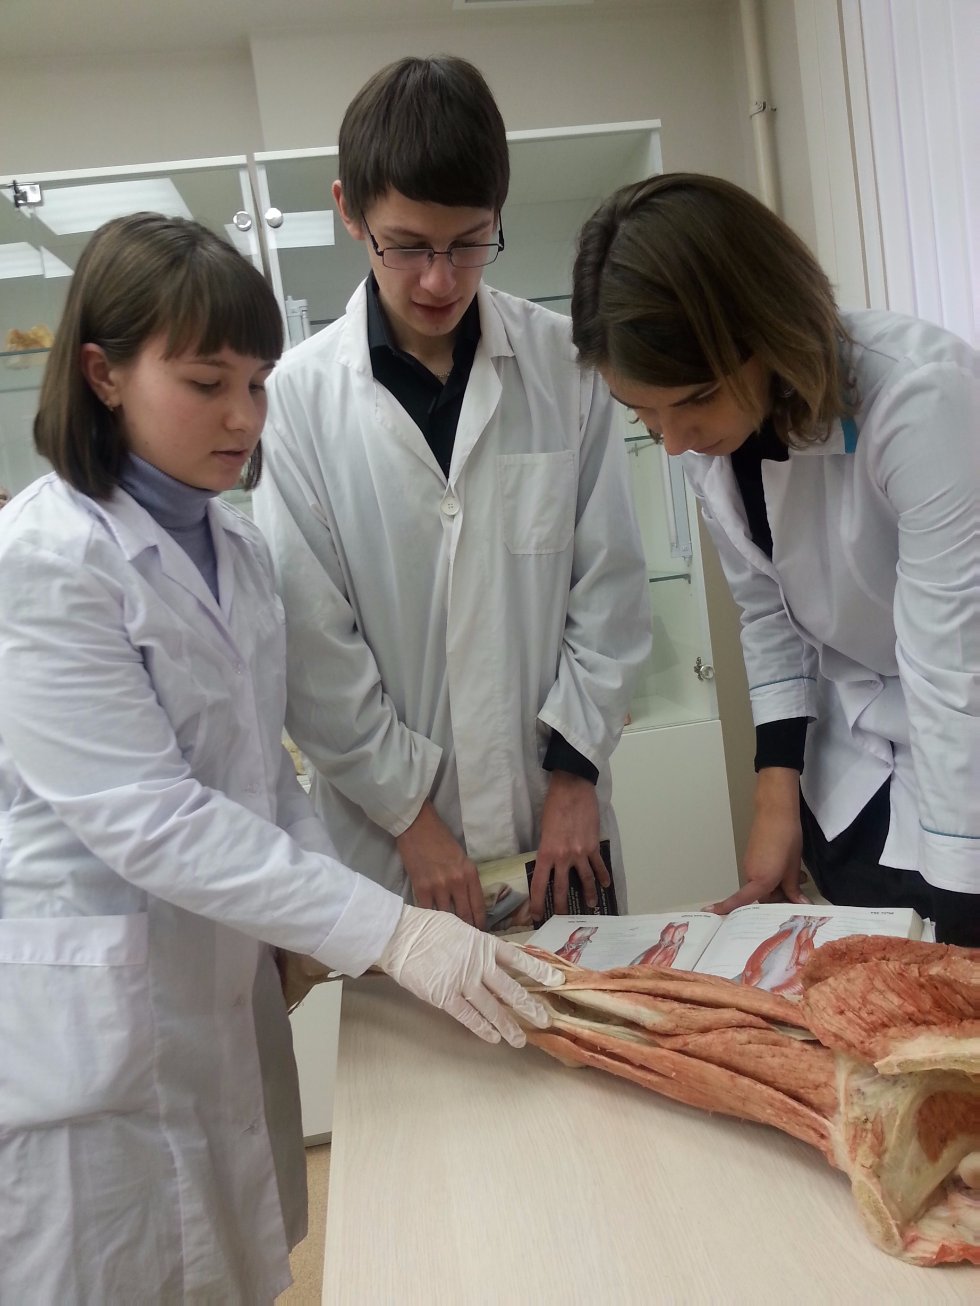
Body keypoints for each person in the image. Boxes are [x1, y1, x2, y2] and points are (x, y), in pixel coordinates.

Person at [0, 212, 563, 1305]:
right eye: (206, 383)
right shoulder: (46, 560)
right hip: (93, 1021)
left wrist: (326, 921)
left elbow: (265, 780)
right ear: (103, 375)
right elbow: (153, 817)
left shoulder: (238, 549)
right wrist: (388, 929)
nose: (245, 417)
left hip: (216, 990)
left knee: (237, 1261)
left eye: (257, 383)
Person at [252, 56, 651, 927]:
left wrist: (576, 776)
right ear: (350, 211)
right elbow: (314, 650)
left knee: (592, 1014)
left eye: (469, 242)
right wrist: (411, 819)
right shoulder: (296, 403)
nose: (440, 280)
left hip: (563, 832)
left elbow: (611, 590)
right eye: (407, 246)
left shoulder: (566, 368)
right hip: (396, 856)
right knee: (420, 1022)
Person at [570, 172, 979, 947]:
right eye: (644, 414)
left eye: (693, 400)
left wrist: (960, 916)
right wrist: (774, 801)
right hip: (860, 765)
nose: (674, 442)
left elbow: (954, 668)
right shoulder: (709, 441)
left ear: (766, 328)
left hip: (965, 747)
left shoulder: (920, 401)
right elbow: (767, 614)